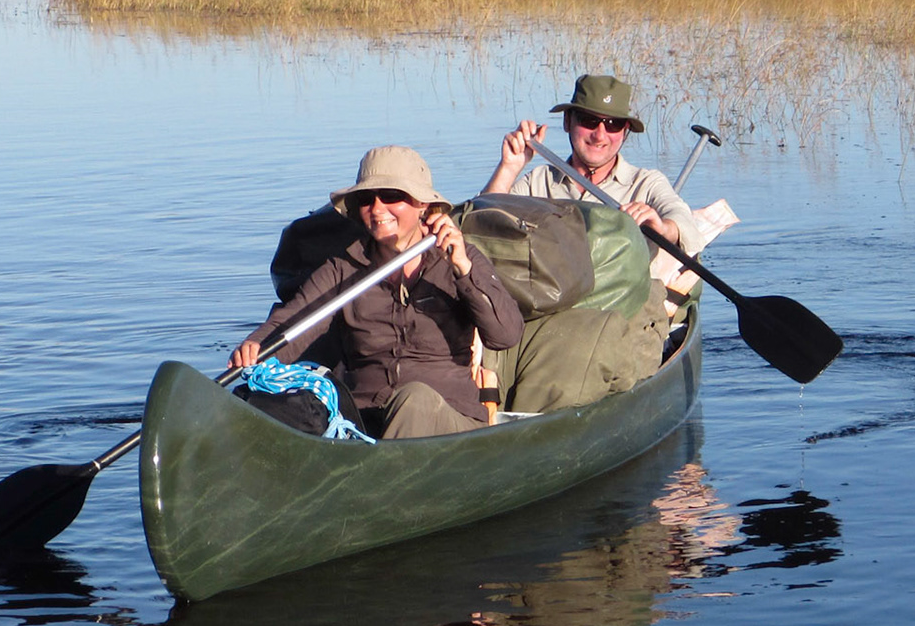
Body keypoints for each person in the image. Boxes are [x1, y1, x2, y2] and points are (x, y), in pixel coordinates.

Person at [231, 146, 523, 439]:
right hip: (364, 421)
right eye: (366, 199)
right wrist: (254, 346)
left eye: (392, 196)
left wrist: (463, 269)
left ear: (423, 204)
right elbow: (295, 318)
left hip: (450, 419)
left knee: (415, 399)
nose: (378, 208)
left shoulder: (460, 256)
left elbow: (505, 334)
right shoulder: (343, 267)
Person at [483, 74, 705, 255]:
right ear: (567, 121)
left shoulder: (646, 183)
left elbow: (685, 223)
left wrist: (663, 229)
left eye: (613, 125)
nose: (600, 135)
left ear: (625, 131)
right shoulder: (538, 182)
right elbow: (481, 225)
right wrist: (509, 167)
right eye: (589, 121)